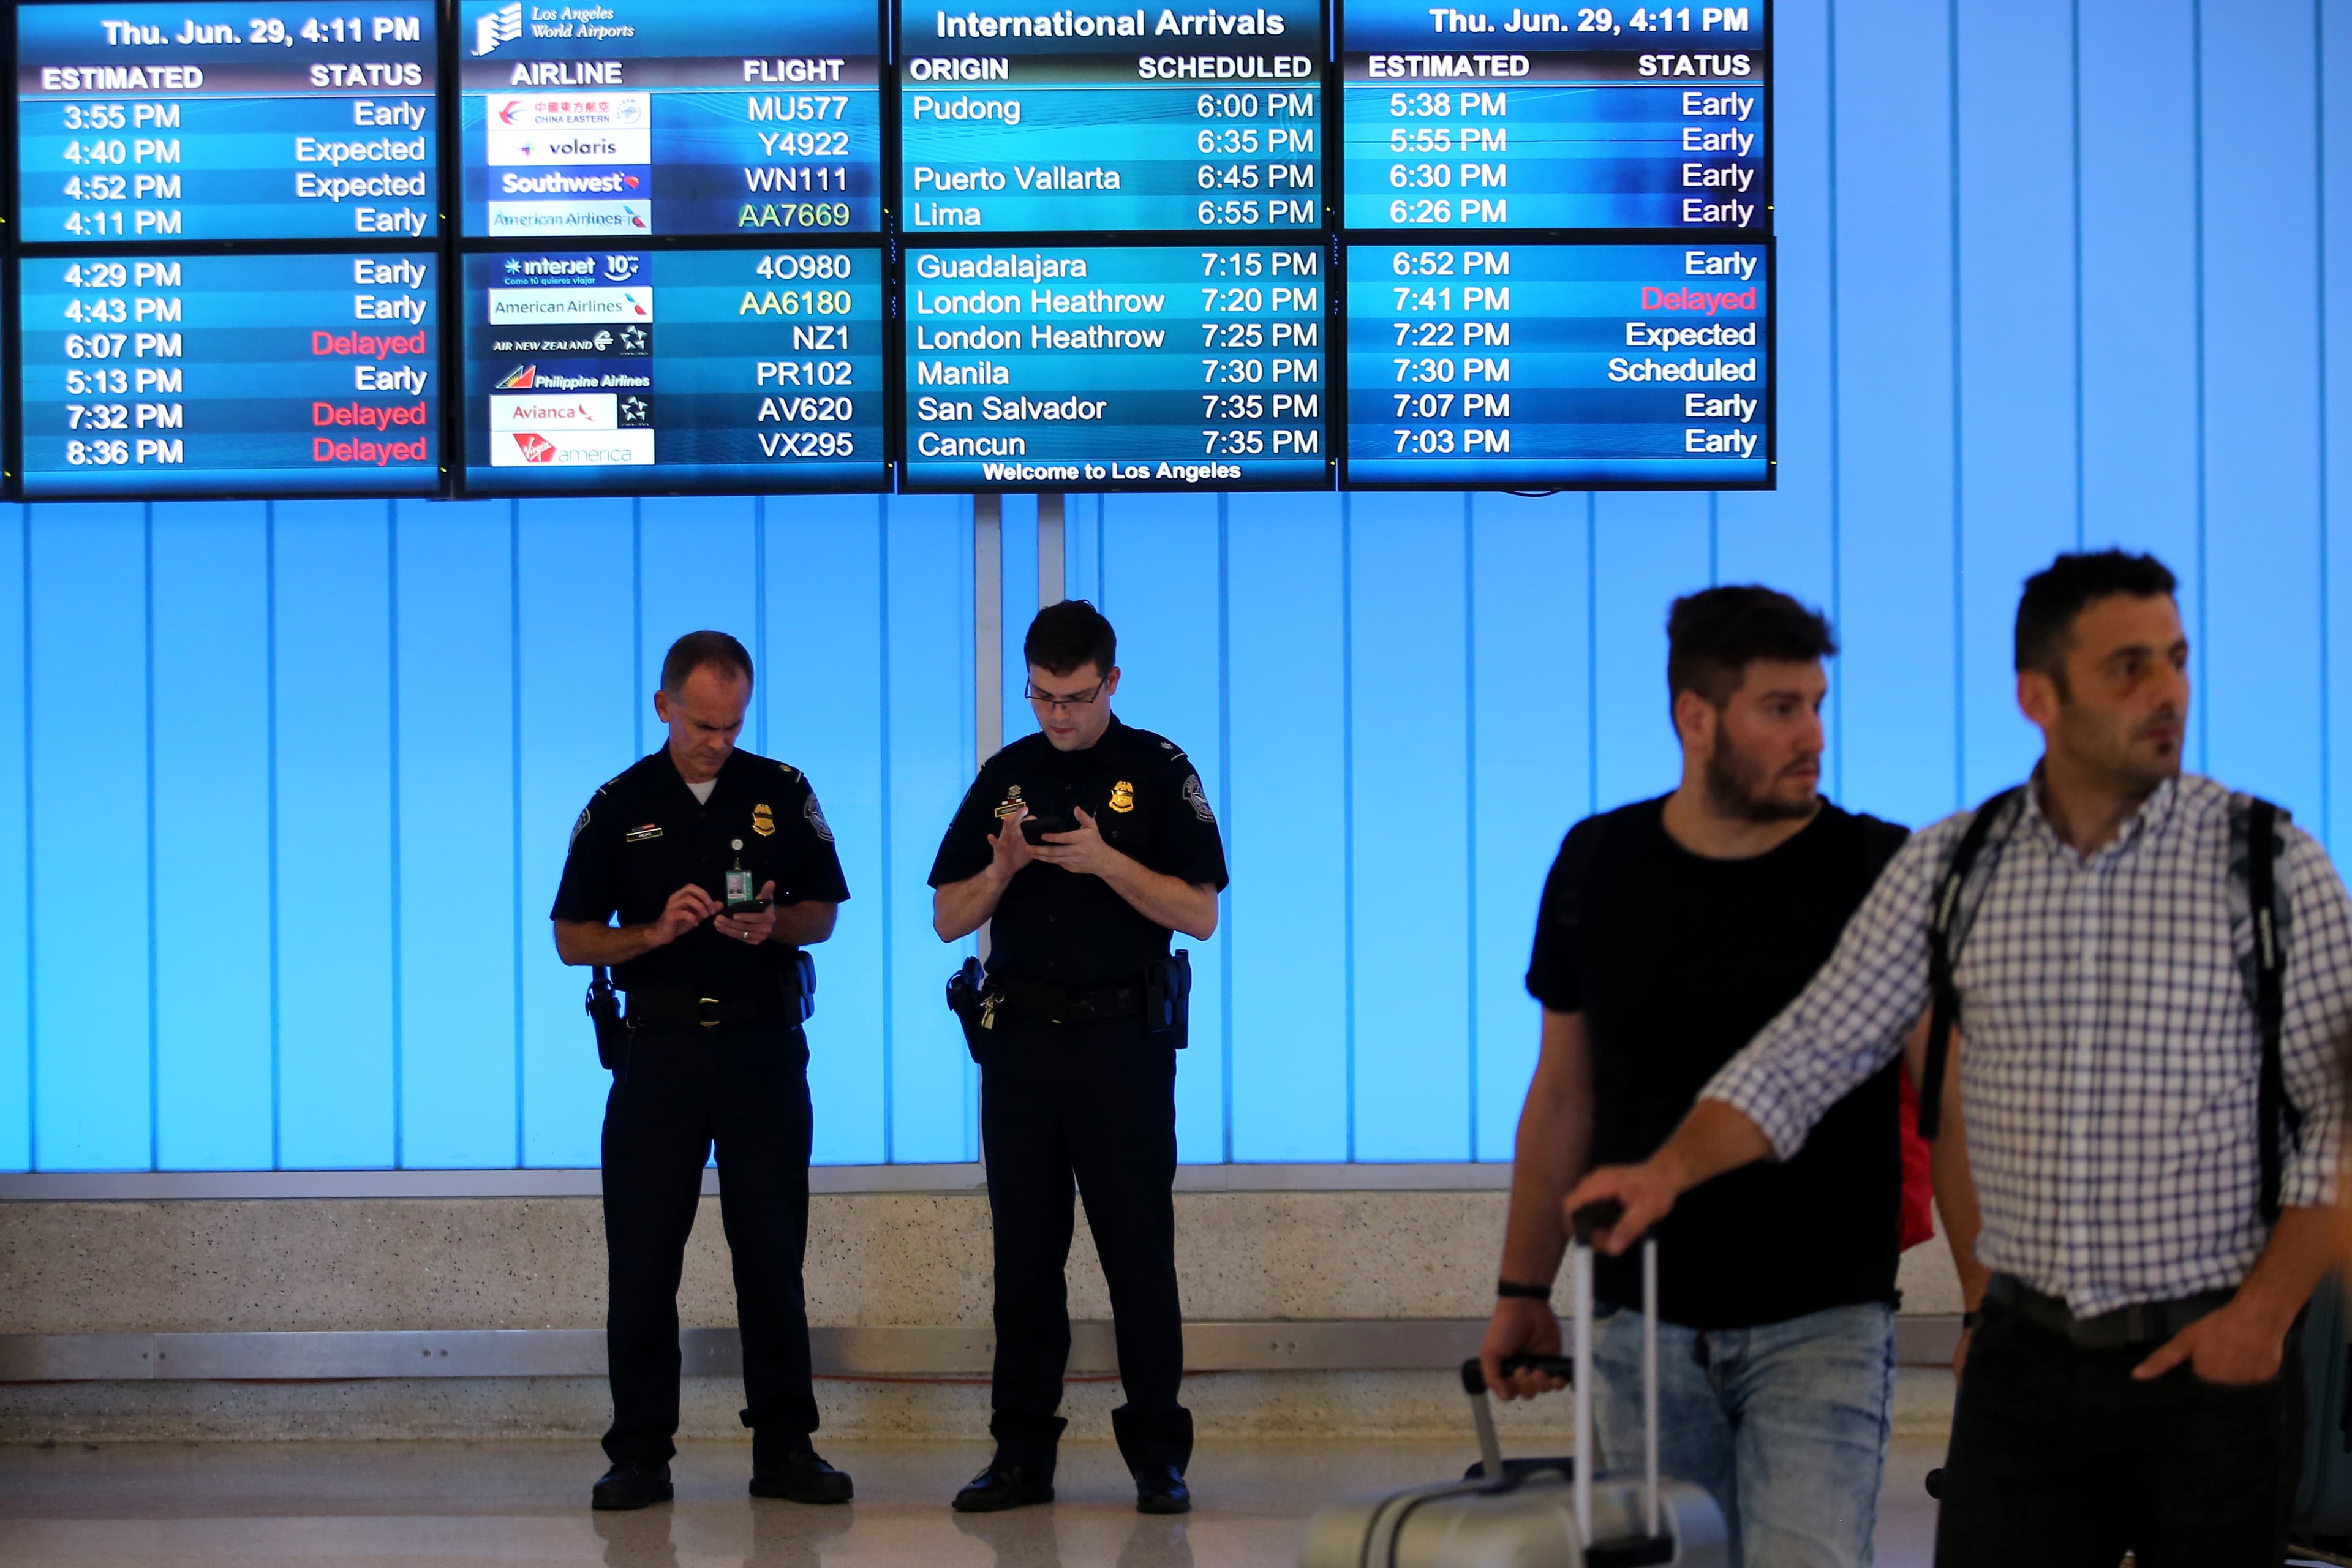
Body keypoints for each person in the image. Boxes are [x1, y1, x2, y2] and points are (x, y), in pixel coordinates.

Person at [1567, 551, 2352, 1566]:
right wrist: (1662, 1174)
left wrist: (2265, 1316)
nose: (2167, 692)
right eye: (2127, 667)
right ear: (2039, 695)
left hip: (2211, 1355)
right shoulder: (1953, 868)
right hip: (2026, 1361)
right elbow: (1807, 1055)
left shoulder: (2268, 866)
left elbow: (2339, 1115)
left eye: (2176, 659)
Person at [1479, 586, 1929, 1568]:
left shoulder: (1874, 868)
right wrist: (1524, 1285)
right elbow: (1564, 1091)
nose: (1812, 733)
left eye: (1817, 703)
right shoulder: (1599, 863)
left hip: (1826, 1317)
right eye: (1780, 708)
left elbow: (1955, 1101)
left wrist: (1989, 1303)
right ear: (1695, 717)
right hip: (1641, 1319)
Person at [929, 599, 1228, 1517]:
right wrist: (1007, 869)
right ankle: (1021, 1457)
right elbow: (948, 916)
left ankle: (1156, 1460)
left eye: (1078, 696)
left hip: (1120, 1049)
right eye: (1044, 696)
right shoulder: (1007, 776)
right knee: (1025, 1259)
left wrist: (1105, 862)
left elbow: (1201, 913)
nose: (1059, 715)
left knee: (1138, 1253)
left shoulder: (1157, 767)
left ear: (1113, 682)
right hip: (1020, 1047)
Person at [552, 631, 855, 1512]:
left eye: (730, 725)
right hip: (660, 1054)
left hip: (761, 1050)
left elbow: (824, 914)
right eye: (700, 724)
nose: (715, 741)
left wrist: (773, 924)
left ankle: (786, 1449)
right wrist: (651, 933)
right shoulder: (620, 805)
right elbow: (573, 938)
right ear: (664, 708)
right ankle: (640, 1454)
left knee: (771, 1254)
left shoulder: (780, 791)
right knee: (644, 1261)